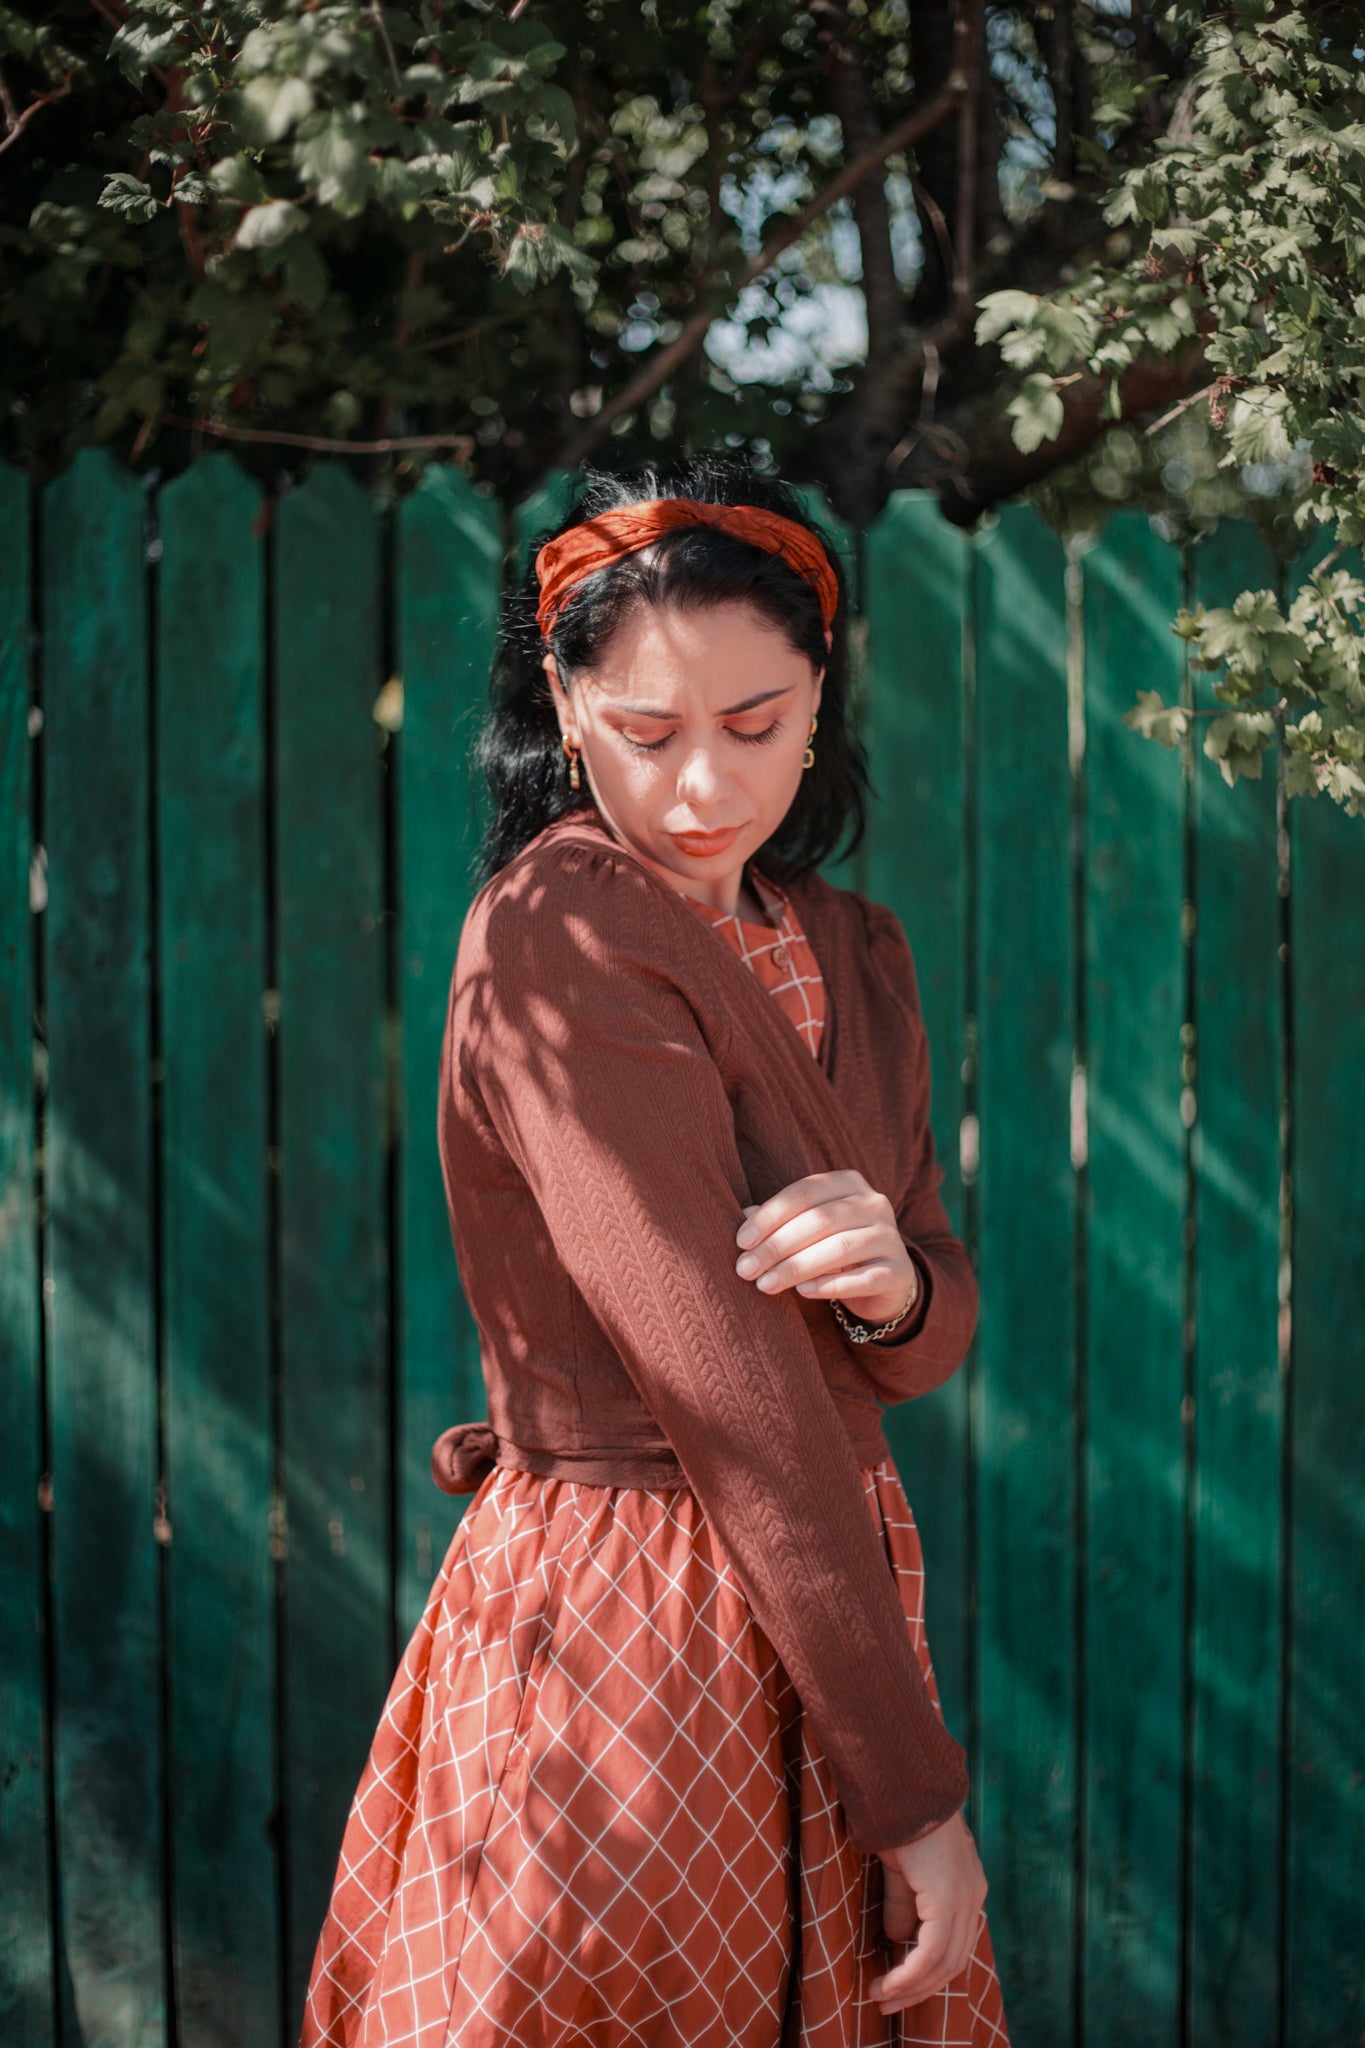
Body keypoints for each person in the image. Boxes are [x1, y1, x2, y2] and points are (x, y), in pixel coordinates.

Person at [298, 458, 1010, 2047]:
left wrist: (892, 1285)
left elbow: (937, 1312)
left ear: (820, 694)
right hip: (633, 1614)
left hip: (827, 1589)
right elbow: (733, 1387)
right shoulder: (564, 931)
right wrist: (915, 1795)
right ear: (563, 706)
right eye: (646, 732)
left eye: (754, 725)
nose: (704, 788)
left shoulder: (853, 949)